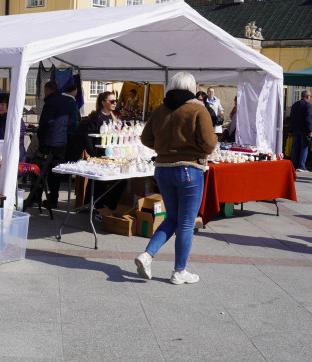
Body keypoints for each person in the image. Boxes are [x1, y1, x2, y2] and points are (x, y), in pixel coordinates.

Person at [134, 72, 216, 285]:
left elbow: (145, 138)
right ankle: (179, 271)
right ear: (191, 87)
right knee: (187, 223)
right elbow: (209, 143)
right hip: (189, 168)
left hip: (162, 168)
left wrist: (164, 148)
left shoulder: (161, 109)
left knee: (172, 218)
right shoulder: (198, 108)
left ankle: (147, 255)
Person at [23, 80, 75, 215]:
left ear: (47, 90)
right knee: (55, 172)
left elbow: (46, 122)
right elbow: (71, 121)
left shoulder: (51, 102)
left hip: (49, 141)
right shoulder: (66, 101)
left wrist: (40, 135)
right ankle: (53, 198)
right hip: (61, 141)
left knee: (39, 168)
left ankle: (36, 197)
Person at [81, 91, 126, 208]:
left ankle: (106, 205)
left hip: (111, 154)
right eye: (112, 101)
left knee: (118, 180)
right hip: (100, 155)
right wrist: (92, 154)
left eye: (115, 101)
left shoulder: (113, 117)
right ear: (103, 103)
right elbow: (87, 136)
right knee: (99, 181)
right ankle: (95, 206)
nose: (115, 103)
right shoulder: (97, 117)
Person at [289, 90, 312, 172]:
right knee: (304, 147)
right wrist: (310, 130)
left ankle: (293, 164)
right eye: (310, 96)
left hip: (295, 129)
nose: (310, 98)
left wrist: (291, 129)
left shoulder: (295, 104)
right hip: (304, 129)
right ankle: (301, 165)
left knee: (295, 147)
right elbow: (308, 119)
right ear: (308, 96)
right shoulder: (308, 105)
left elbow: (291, 118)